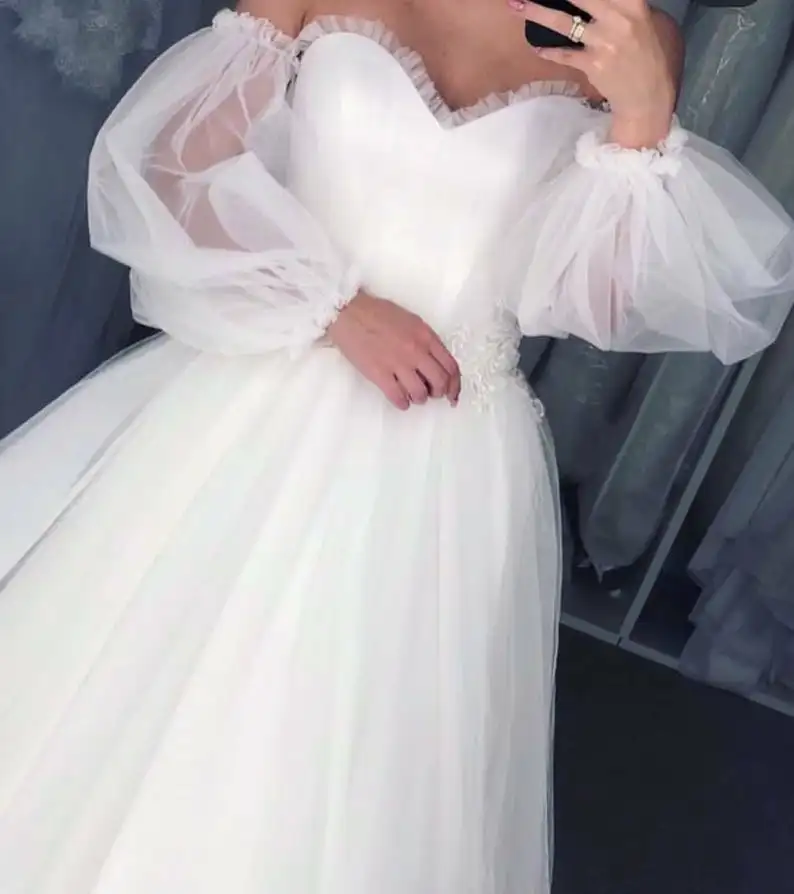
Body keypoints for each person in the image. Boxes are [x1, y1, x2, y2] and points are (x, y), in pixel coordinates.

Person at [0, 0, 791, 891]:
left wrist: (643, 117)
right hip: (254, 398)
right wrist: (332, 305)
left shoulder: (627, 32)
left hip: (445, 451)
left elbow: (601, 305)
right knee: (142, 691)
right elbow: (174, 166)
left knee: (355, 753)